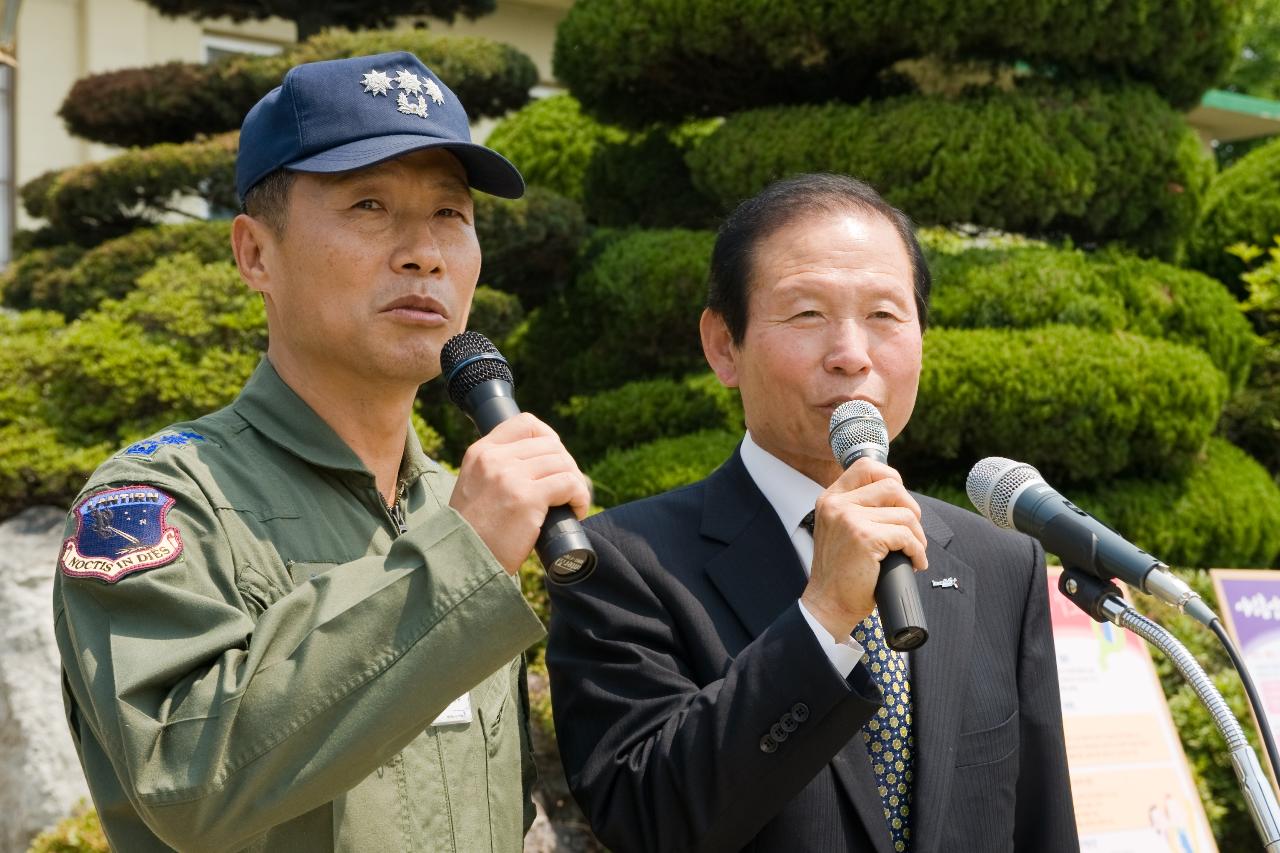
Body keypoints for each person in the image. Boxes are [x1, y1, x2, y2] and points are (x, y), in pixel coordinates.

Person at [52, 51, 591, 852]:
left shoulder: (455, 504)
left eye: (451, 214)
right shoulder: (164, 499)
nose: (424, 252)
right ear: (255, 254)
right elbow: (185, 777)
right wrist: (457, 563)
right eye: (369, 204)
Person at [545, 173, 1078, 852]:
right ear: (722, 346)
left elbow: (1040, 825)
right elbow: (648, 816)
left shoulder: (999, 559)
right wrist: (821, 617)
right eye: (807, 315)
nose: (852, 355)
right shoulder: (622, 561)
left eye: (885, 316)